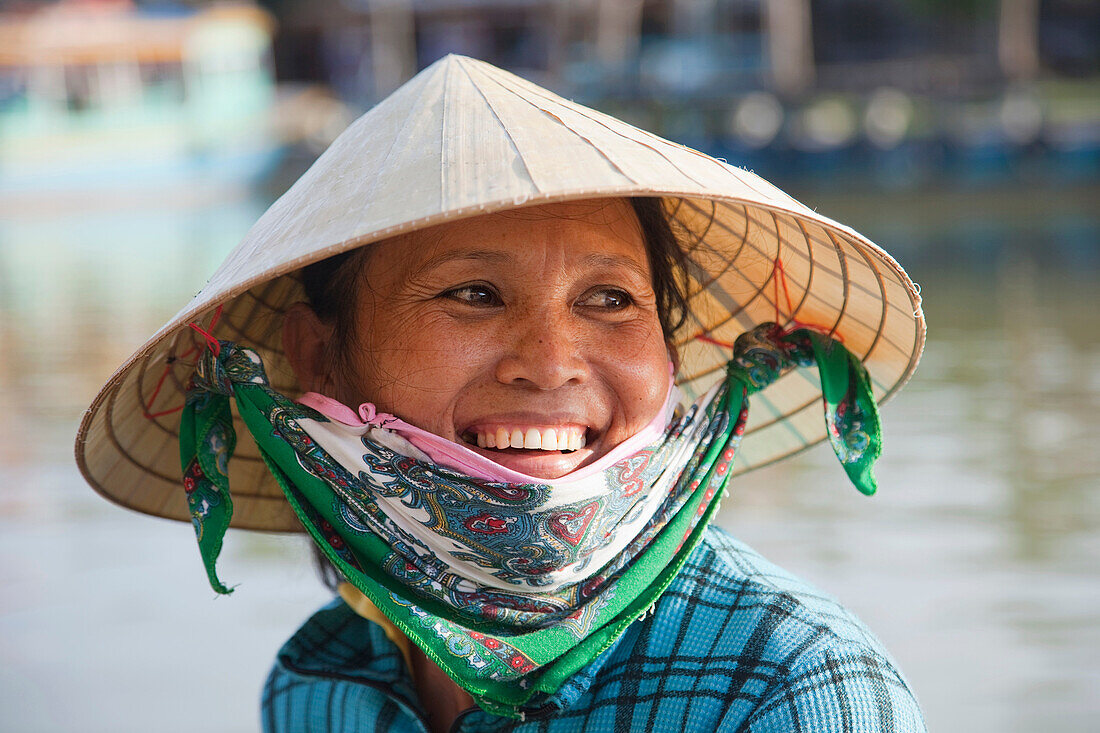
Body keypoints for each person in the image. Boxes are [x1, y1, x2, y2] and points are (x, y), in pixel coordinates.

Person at [76, 56, 927, 732]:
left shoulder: (787, 687)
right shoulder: (322, 682)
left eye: (610, 299)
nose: (551, 363)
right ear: (319, 359)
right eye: (473, 294)